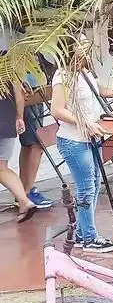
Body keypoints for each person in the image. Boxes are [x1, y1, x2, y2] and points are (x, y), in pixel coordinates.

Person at [51, 38, 113, 253]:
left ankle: (82, 233)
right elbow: (57, 110)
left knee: (95, 184)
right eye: (81, 43)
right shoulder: (63, 75)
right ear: (70, 48)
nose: (87, 46)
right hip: (74, 141)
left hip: (91, 138)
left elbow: (101, 91)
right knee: (86, 188)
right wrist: (85, 123)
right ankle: (89, 238)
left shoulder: (86, 73)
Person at [0, 79, 38, 223]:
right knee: (2, 168)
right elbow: (19, 91)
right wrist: (19, 117)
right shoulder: (9, 60)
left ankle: (24, 201)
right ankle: (24, 201)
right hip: (6, 121)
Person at [19, 63, 54, 209]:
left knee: (28, 143)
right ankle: (26, 192)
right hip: (27, 86)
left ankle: (22, 190)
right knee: (36, 143)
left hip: (33, 84)